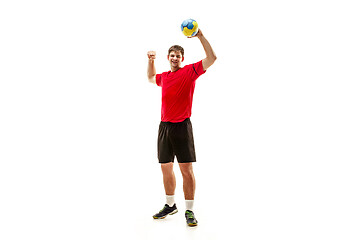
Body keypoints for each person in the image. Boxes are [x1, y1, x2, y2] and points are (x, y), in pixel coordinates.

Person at [147, 29, 216, 227]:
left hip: (182, 127)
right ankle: (170, 205)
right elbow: (151, 78)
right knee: (165, 168)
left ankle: (189, 210)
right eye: (172, 55)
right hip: (164, 128)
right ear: (168, 58)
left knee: (186, 169)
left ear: (182, 58)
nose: (175, 58)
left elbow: (212, 58)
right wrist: (151, 60)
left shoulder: (190, 71)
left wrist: (200, 36)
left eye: (178, 55)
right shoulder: (165, 77)